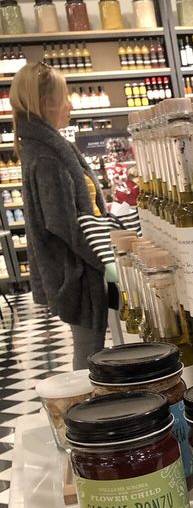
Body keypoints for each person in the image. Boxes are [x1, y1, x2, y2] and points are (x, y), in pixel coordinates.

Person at [10, 63, 117, 369]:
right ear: (46, 104)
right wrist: (105, 261)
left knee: (90, 347)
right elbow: (64, 224)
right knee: (89, 349)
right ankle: (90, 399)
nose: (70, 104)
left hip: (77, 267)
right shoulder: (48, 156)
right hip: (77, 272)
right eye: (64, 97)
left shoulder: (47, 148)